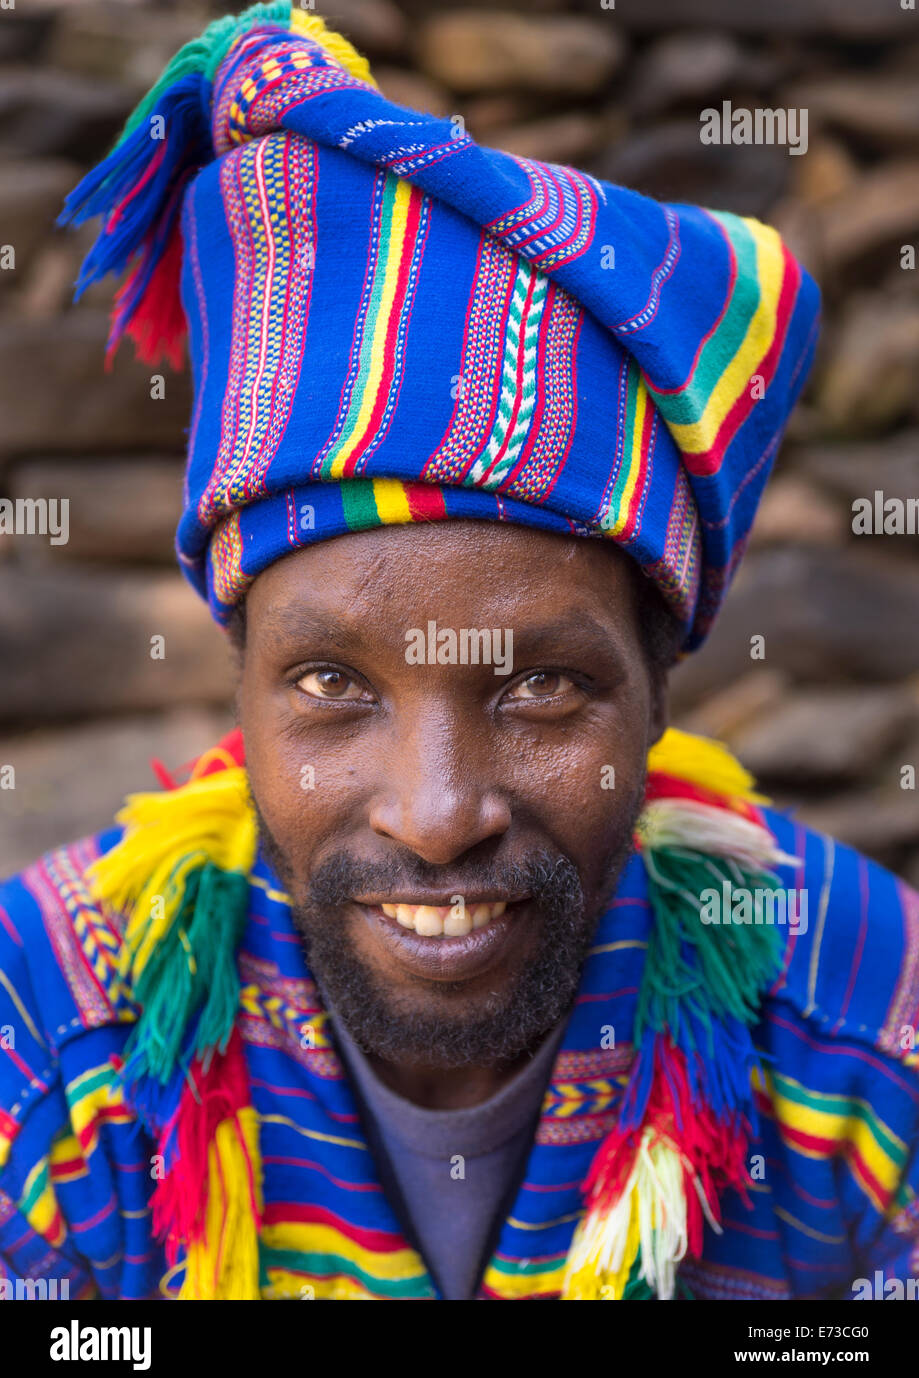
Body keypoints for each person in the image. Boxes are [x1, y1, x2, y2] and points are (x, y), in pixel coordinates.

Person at [1, 2, 916, 1302]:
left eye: (543, 685)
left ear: (660, 689)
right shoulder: (44, 1042)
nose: (437, 815)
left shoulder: (866, 1024)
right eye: (332, 683)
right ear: (241, 677)